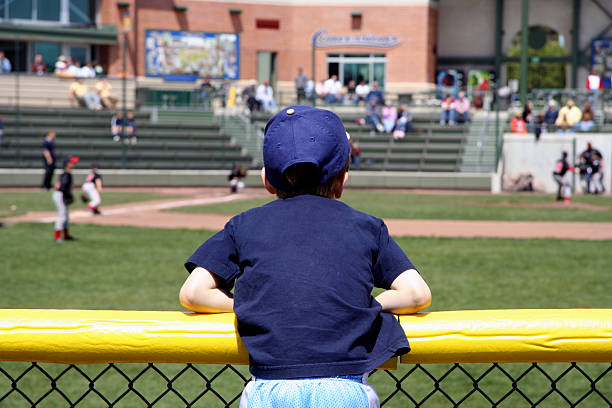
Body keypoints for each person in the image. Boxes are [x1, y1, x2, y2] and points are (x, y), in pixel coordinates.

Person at [179, 105, 431, 407]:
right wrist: (361, 306)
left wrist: (253, 306)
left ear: (266, 180)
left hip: (268, 391)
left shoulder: (244, 225)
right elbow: (416, 294)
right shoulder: (367, 226)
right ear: (342, 180)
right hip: (346, 390)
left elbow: (193, 293)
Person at [53, 156, 79, 242]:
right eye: (72, 162)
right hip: (60, 195)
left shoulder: (67, 173)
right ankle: (57, 237)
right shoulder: (66, 174)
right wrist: (70, 197)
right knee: (62, 216)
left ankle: (66, 236)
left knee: (66, 216)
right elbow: (63, 188)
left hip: (62, 195)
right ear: (67, 164)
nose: (74, 163)